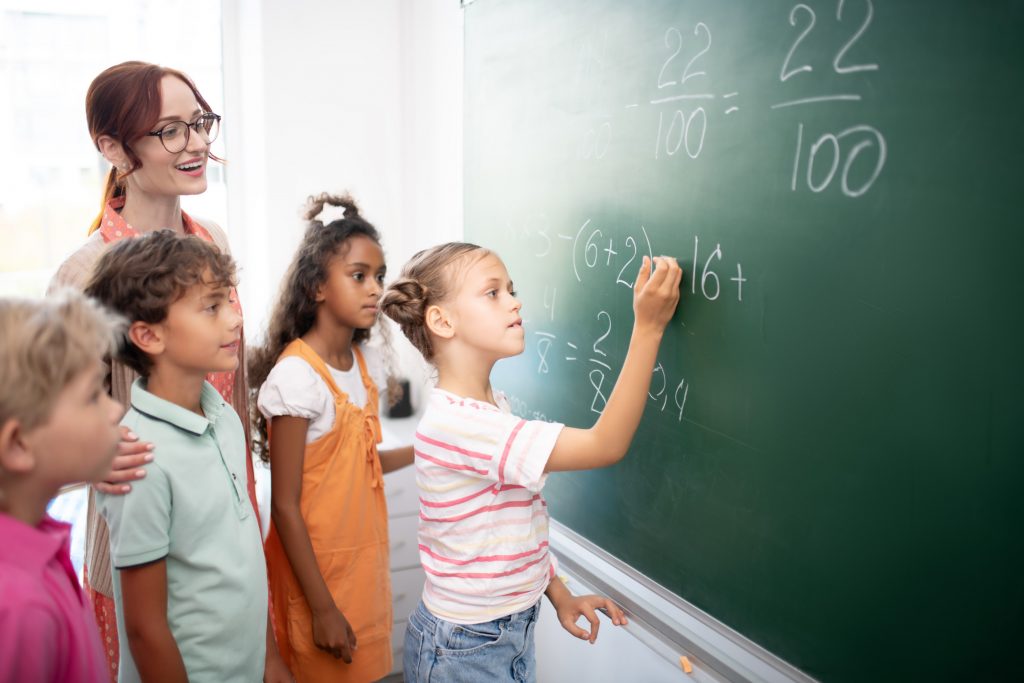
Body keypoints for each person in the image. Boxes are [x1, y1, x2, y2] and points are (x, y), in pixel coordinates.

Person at [380, 243, 682, 681]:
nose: (514, 302)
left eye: (512, 290)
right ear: (442, 321)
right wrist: (648, 328)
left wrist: (558, 593)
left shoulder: (487, 410)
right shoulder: (464, 425)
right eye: (493, 293)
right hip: (464, 649)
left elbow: (513, 530)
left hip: (493, 635)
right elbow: (605, 444)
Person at [47, 60, 258, 680]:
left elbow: (232, 393)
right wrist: (90, 457)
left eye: (200, 123)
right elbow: (38, 427)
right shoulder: (84, 273)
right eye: (170, 130)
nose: (195, 143)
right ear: (113, 149)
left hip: (230, 539)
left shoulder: (212, 240)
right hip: (147, 554)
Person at [83, 231, 288, 682]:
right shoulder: (138, 458)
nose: (235, 319)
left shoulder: (224, 418)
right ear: (149, 335)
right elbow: (144, 629)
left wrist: (270, 658)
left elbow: (245, 563)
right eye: (212, 307)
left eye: (229, 301)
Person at [249, 193, 413, 682]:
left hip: (362, 575)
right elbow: (284, 505)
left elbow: (360, 464)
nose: (375, 289)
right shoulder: (297, 377)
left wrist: (424, 450)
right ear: (317, 286)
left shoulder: (359, 364)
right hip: (318, 583)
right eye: (358, 276)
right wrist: (322, 609)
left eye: (379, 276)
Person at [0, 290, 124, 682]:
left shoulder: (43, 545)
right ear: (18, 444)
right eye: (93, 397)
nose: (115, 409)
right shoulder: (21, 608)